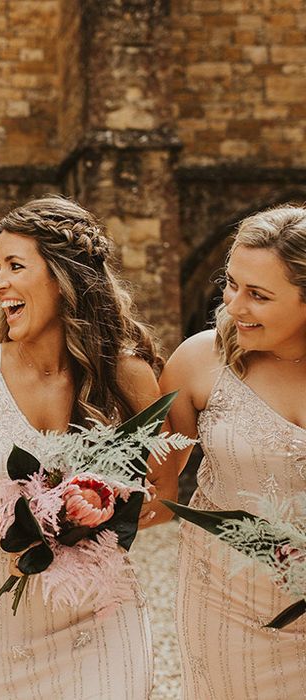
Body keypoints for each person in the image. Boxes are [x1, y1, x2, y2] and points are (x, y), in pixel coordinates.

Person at [0, 195, 159, 698]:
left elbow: (155, 496)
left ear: (64, 277)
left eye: (14, 266)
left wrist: (88, 519)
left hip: (102, 614)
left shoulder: (129, 378)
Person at [151, 204, 306, 699]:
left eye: (257, 295)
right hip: (225, 603)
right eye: (231, 283)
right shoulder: (199, 361)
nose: (234, 306)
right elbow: (152, 489)